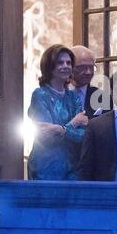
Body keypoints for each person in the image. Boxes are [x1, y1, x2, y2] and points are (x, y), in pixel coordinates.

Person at [28, 44, 89, 180]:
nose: (65, 66)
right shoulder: (40, 95)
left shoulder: (73, 97)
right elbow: (45, 136)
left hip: (72, 170)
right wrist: (73, 123)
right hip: (45, 168)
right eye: (60, 63)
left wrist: (60, 129)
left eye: (68, 63)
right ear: (49, 67)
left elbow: (83, 136)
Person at [71, 45, 107, 118]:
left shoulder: (102, 97)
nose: (88, 72)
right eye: (82, 67)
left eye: (91, 67)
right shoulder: (54, 93)